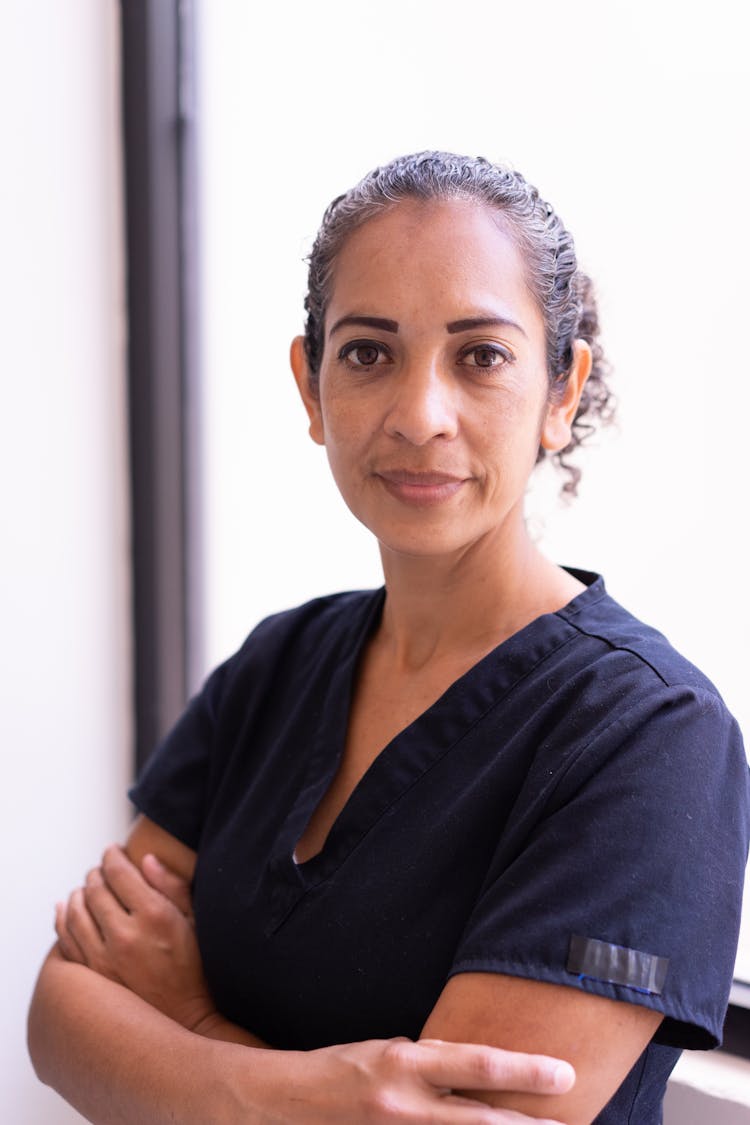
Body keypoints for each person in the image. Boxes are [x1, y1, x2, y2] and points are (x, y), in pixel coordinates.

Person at [29, 152, 749, 1124]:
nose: (419, 415)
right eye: (369, 352)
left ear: (562, 389)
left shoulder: (649, 734)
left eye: (481, 356)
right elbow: (60, 1015)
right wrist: (318, 1095)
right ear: (311, 385)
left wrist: (190, 1025)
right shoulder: (277, 664)